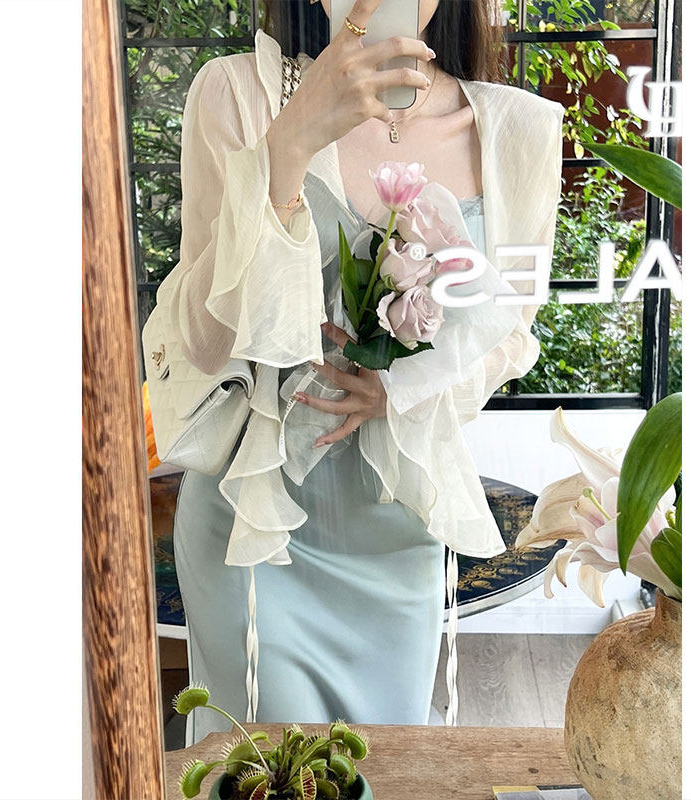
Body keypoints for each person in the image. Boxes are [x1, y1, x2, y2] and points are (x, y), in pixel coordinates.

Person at [158, 0, 564, 743]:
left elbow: (511, 335)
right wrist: (289, 143)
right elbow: (205, 343)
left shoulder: (521, 131)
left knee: (384, 768)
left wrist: (400, 388)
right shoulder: (236, 93)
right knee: (270, 775)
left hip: (399, 528)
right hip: (255, 525)